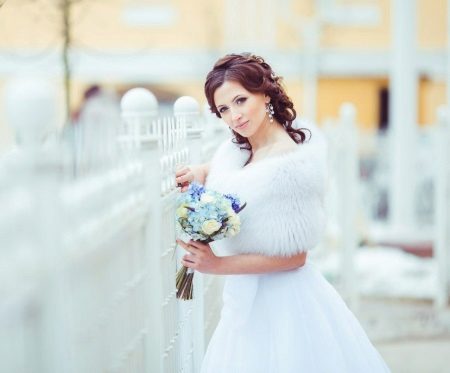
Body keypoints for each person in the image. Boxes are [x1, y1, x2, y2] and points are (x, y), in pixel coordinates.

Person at [175, 53, 390, 373]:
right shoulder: (240, 148)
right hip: (246, 297)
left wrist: (217, 264)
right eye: (224, 109)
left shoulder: (291, 166)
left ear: (264, 93)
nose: (234, 116)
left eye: (240, 100)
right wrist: (201, 171)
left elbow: (295, 257)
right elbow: (239, 176)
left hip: (284, 304)